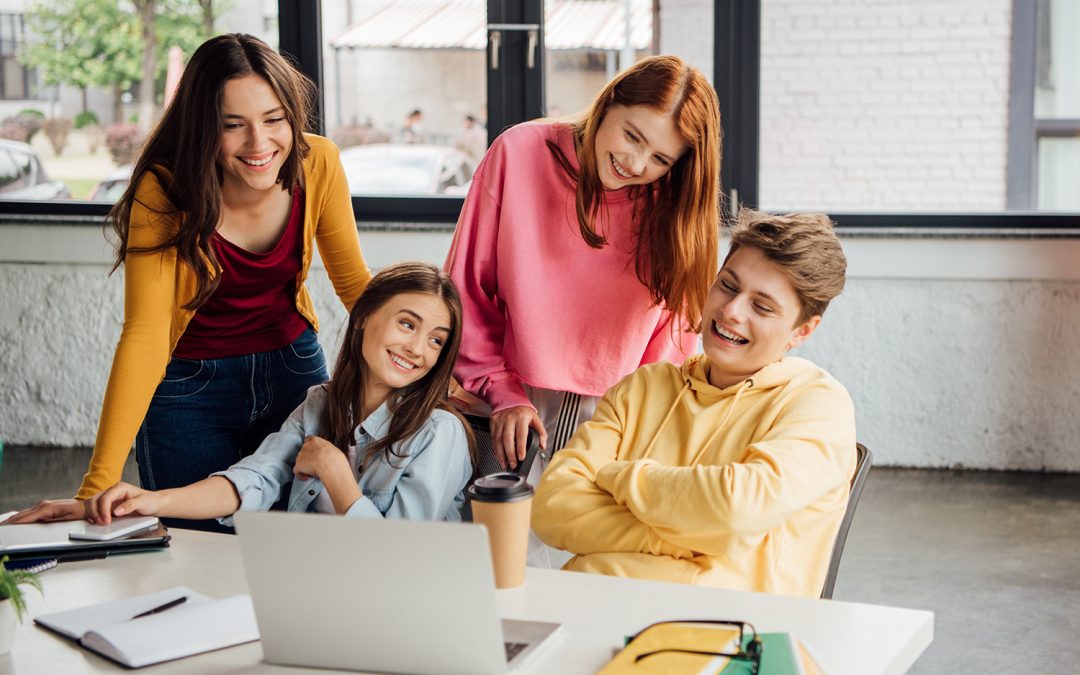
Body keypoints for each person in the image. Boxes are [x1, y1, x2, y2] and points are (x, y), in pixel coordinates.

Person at [8, 34, 371, 531]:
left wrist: (445, 375)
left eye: (273, 119)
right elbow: (146, 333)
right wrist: (96, 488)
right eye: (233, 126)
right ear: (204, 127)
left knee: (297, 543)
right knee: (197, 551)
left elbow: (355, 284)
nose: (260, 144)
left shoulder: (319, 162)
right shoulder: (166, 189)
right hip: (189, 392)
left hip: (293, 370)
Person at [531, 210, 857, 598]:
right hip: (586, 609)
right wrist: (693, 542)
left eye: (762, 307)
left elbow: (737, 507)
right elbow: (551, 506)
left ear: (802, 331)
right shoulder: (643, 388)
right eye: (728, 286)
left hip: (724, 634)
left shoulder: (817, 404)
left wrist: (621, 478)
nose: (731, 311)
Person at [12, 263, 475, 527]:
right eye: (407, 324)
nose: (417, 348)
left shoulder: (440, 433)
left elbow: (405, 559)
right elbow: (250, 481)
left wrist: (338, 475)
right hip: (313, 589)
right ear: (362, 318)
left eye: (436, 339)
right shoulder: (320, 405)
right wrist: (150, 501)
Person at [445, 55, 721, 477]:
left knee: (594, 542)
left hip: (614, 419)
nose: (636, 164)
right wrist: (502, 390)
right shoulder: (519, 152)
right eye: (632, 135)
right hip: (503, 400)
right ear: (609, 101)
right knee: (495, 538)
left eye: (661, 159)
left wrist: (638, 419)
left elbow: (674, 338)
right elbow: (465, 289)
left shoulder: (674, 206)